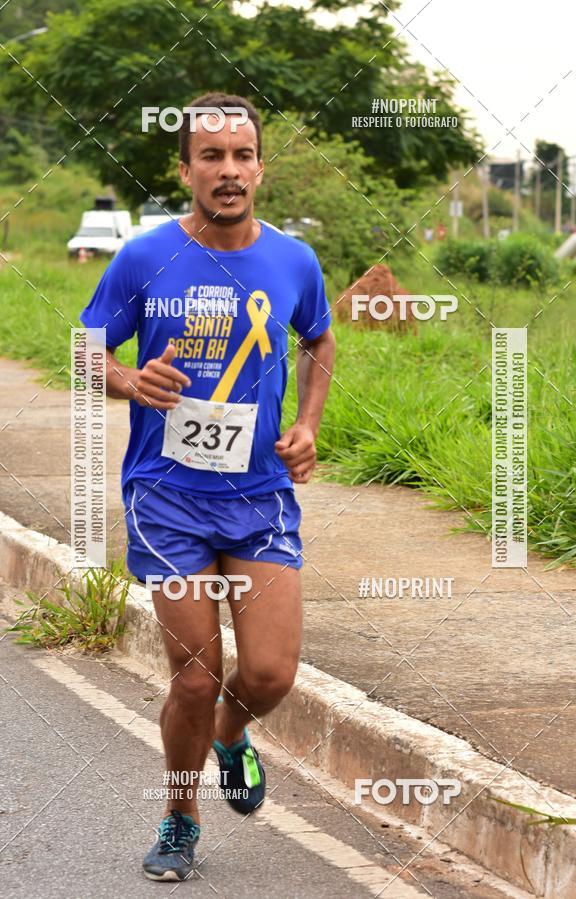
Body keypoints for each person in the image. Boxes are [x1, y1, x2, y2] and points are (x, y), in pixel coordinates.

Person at [80, 91, 336, 881]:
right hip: (167, 498)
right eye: (212, 156)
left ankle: (231, 734)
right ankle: (181, 815)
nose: (229, 170)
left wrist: (308, 424)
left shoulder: (294, 260)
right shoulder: (143, 258)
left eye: (242, 155)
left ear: (260, 167)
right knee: (195, 676)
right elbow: (87, 349)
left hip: (259, 496)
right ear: (185, 168)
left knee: (268, 675)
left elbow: (319, 340)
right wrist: (129, 379)